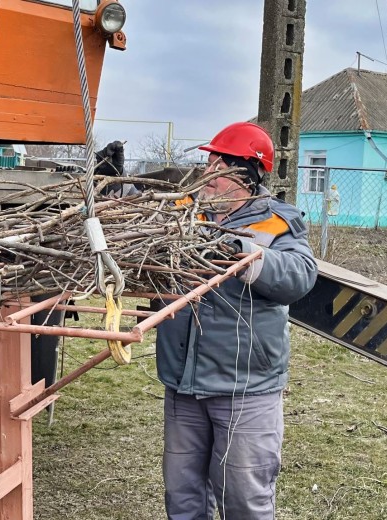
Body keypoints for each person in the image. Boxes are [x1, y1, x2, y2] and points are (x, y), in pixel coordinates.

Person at [155, 122, 318, 520]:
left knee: (244, 498)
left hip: (245, 385)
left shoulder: (276, 222)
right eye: (208, 164)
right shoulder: (183, 212)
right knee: (183, 494)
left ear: (244, 175)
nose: (207, 174)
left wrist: (244, 254)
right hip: (184, 382)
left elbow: (300, 275)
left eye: (218, 166)